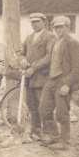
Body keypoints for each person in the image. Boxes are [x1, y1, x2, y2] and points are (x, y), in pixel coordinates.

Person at [39, 16, 79, 150]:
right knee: (44, 108)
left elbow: (78, 68)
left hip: (63, 80)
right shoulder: (55, 42)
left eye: (61, 27)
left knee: (62, 112)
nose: (58, 29)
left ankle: (64, 141)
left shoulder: (73, 43)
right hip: (51, 79)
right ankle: (54, 135)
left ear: (68, 27)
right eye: (56, 27)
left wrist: (67, 84)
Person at [19, 13, 55, 141]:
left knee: (44, 106)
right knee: (32, 105)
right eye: (32, 22)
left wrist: (34, 67)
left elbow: (49, 56)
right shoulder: (29, 38)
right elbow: (22, 52)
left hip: (42, 77)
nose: (34, 24)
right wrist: (22, 60)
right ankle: (36, 130)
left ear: (44, 22)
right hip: (30, 78)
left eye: (37, 22)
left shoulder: (50, 37)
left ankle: (49, 133)